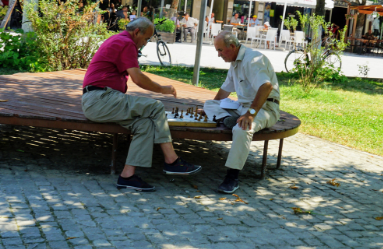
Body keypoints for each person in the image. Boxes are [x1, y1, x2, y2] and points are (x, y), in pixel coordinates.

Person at [82, 17, 201, 191]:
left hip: (99, 101)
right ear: (137, 32)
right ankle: (172, 161)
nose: (145, 44)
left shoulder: (117, 39)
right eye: (146, 39)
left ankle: (127, 176)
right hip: (100, 99)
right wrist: (162, 89)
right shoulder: (126, 43)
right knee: (156, 106)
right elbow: (137, 78)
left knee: (144, 125)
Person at [203, 32, 281, 193]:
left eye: (220, 50)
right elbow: (224, 91)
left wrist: (251, 114)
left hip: (264, 108)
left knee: (242, 129)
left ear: (232, 46)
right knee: (209, 104)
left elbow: (266, 87)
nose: (218, 55)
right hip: (243, 107)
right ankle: (227, 118)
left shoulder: (252, 60)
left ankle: (232, 177)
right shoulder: (234, 62)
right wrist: (208, 110)